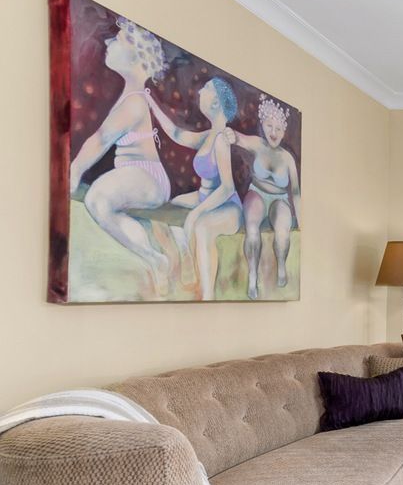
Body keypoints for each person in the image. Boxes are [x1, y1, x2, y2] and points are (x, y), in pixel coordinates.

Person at [68, 17, 175, 295]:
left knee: (97, 198)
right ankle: (154, 259)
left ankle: (154, 259)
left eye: (119, 39)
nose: (108, 42)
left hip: (146, 177)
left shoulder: (136, 102)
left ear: (137, 56)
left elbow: (102, 138)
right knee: (107, 206)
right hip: (140, 177)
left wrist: (76, 169)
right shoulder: (131, 97)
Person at [146, 78, 244, 301]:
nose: (200, 91)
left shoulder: (221, 140)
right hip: (203, 197)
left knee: (201, 226)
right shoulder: (207, 136)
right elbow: (176, 133)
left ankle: (207, 295)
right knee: (163, 212)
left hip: (228, 205)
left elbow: (228, 187)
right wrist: (150, 102)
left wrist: (197, 212)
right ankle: (182, 254)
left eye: (207, 88)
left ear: (217, 103)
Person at [238, 96, 301, 299]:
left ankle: (281, 263)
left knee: (283, 233)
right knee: (253, 230)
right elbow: (238, 138)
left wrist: (300, 221)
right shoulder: (257, 143)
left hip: (279, 199)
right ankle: (252, 275)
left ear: (284, 131)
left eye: (278, 129)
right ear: (263, 125)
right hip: (257, 192)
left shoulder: (288, 159)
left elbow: (297, 193)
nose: (273, 133)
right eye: (269, 126)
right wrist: (230, 136)